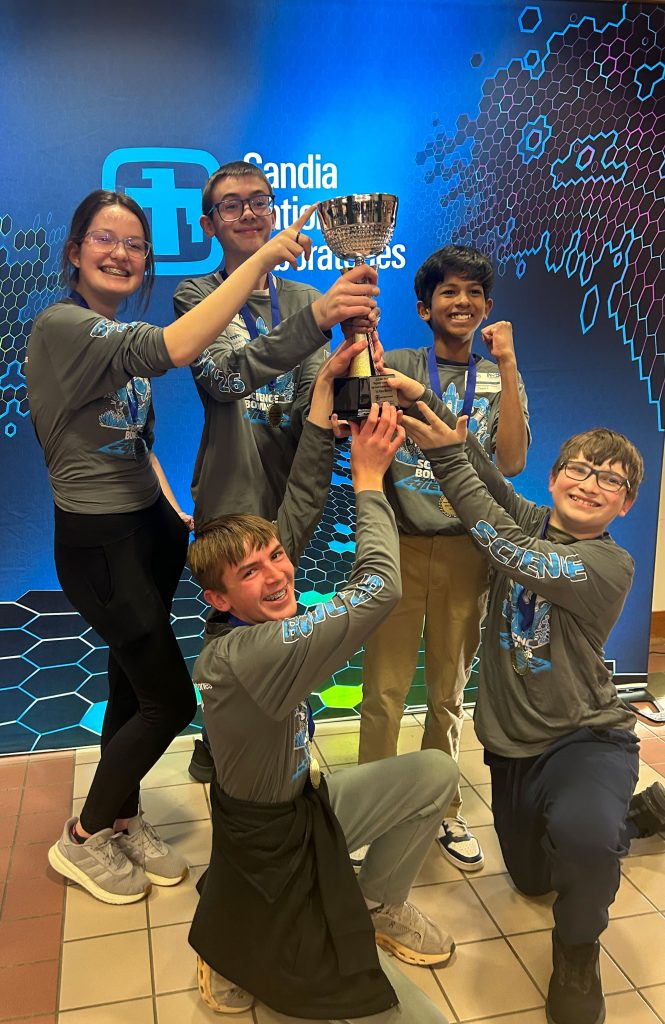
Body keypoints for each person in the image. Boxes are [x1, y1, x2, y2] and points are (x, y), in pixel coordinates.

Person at [28, 189, 377, 906]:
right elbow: (184, 351)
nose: (122, 253)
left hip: (149, 529)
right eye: (105, 239)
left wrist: (169, 505)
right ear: (74, 252)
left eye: (134, 243)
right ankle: (83, 837)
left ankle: (122, 817)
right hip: (101, 543)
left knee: (131, 688)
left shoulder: (109, 331)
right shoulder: (64, 326)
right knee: (168, 700)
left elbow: (135, 440)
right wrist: (264, 263)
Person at [185, 339, 459, 1023]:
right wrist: (368, 481)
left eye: (276, 556)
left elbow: (302, 502)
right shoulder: (254, 655)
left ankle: (374, 902)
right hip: (269, 853)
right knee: (413, 1016)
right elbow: (378, 588)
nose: (278, 574)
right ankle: (227, 940)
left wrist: (319, 398)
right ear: (218, 597)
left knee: (434, 774)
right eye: (250, 572)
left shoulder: (248, 615)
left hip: (305, 807)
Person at [390, 371, 665, 1024]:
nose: (590, 484)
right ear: (555, 477)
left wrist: (446, 459)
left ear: (626, 504)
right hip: (512, 747)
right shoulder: (533, 518)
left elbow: (499, 541)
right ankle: (644, 814)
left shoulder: (610, 565)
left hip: (583, 737)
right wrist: (418, 398)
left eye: (610, 480)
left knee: (584, 840)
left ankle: (578, 953)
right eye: (579, 469)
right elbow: (485, 479)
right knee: (533, 880)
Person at [173, 160, 378, 783]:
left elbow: (307, 395)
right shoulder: (196, 297)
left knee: (278, 605)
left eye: (259, 201)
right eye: (231, 205)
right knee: (229, 614)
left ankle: (281, 725)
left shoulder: (304, 298)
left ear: (273, 210)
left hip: (296, 484)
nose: (248, 214)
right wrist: (316, 322)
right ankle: (219, 739)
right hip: (232, 493)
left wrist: (352, 371)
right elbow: (225, 378)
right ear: (210, 224)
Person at [358, 245, 530, 872]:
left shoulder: (498, 375)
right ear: (424, 307)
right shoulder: (402, 362)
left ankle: (441, 809)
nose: (462, 302)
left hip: (466, 552)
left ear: (488, 305)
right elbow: (354, 410)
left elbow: (512, 462)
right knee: (383, 692)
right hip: (399, 546)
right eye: (448, 292)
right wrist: (359, 341)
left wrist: (507, 364)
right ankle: (370, 809)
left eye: (473, 292)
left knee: (447, 694)